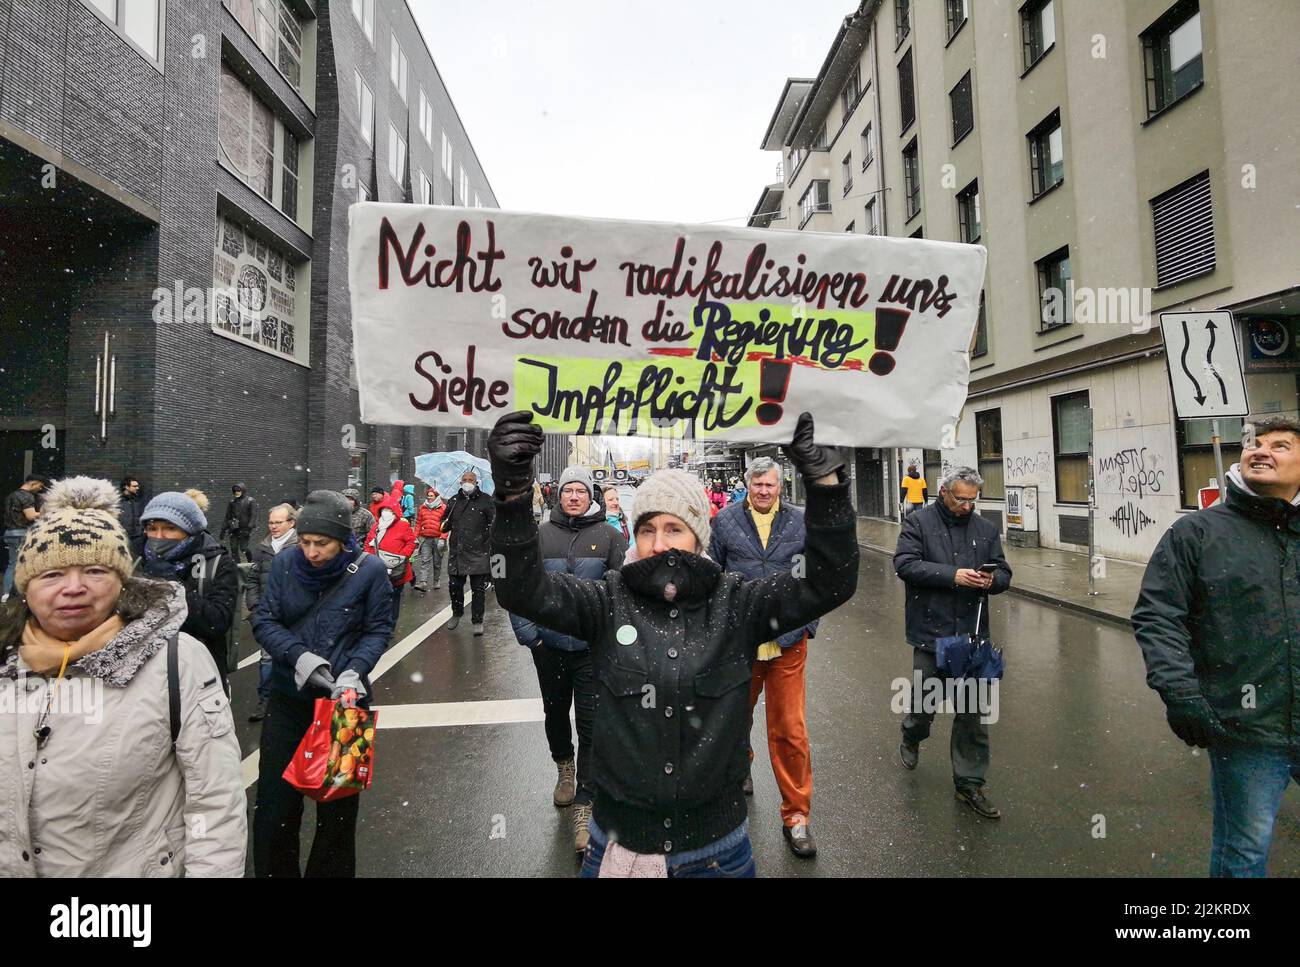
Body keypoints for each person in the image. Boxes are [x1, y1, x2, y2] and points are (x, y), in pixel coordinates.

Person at [488, 410, 857, 878]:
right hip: (617, 847)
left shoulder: (738, 604)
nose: (659, 544)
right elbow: (519, 587)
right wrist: (513, 494)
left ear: (698, 536)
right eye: (647, 530)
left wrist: (827, 485)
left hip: (718, 853)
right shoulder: (606, 602)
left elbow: (831, 582)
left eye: (673, 529)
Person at [0, 476, 245, 876]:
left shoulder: (177, 662)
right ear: (25, 587)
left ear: (121, 582)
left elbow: (214, 801)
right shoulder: (6, 661)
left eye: (95, 570)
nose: (73, 588)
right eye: (51, 575)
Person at [1132, 415, 1300, 877]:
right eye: (1254, 443)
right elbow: (1158, 615)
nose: (1260, 450)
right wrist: (1183, 695)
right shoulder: (1198, 533)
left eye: (1280, 445)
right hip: (1247, 729)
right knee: (1243, 854)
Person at [251, 490, 395, 877]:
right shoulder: (283, 565)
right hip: (288, 699)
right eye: (305, 542)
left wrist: (355, 670)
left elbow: (379, 629)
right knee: (274, 808)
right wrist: (299, 657)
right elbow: (264, 621)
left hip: (347, 704)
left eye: (322, 544)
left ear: (344, 540)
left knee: (338, 814)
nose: (311, 552)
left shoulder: (370, 571)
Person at [506, 467, 628, 853]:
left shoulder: (610, 535)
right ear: (558, 496)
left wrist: (611, 639)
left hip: (592, 650)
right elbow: (519, 587)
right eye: (567, 491)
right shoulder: (540, 535)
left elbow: (623, 592)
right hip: (550, 647)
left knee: (592, 726)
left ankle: (585, 803)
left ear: (590, 494)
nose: (573, 496)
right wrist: (532, 637)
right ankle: (565, 768)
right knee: (556, 715)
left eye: (580, 491)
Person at [710, 456, 821, 857]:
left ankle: (797, 817)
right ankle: (741, 763)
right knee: (734, 718)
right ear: (747, 485)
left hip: (789, 640)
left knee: (790, 730)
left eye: (770, 486)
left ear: (780, 487)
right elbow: (714, 578)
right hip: (742, 641)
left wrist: (808, 624)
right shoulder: (724, 522)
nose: (763, 492)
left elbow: (815, 576)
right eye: (757, 485)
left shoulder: (800, 522)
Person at [893, 467, 1011, 819]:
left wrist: (991, 580)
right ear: (943, 492)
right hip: (932, 634)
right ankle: (912, 733)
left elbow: (1005, 573)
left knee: (973, 715)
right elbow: (905, 564)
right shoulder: (918, 523)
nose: (967, 506)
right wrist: (953, 576)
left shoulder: (986, 529)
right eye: (961, 499)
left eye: (973, 500)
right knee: (924, 703)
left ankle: (969, 784)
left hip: (972, 638)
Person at [140, 490, 239, 691]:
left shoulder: (218, 563)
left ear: (190, 530)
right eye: (152, 528)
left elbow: (216, 622)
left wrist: (171, 583)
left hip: (199, 676)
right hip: (146, 679)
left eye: (170, 528)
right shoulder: (137, 563)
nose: (159, 537)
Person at [245, 503, 299, 722]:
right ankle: (266, 701)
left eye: (278, 522)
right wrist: (255, 607)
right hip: (269, 615)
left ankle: (294, 701)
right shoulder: (262, 547)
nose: (274, 527)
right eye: (271, 522)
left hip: (295, 615)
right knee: (267, 660)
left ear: (291, 523)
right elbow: (252, 579)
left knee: (296, 658)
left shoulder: (302, 546)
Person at [442, 470, 494, 634]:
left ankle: (477, 620)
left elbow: (493, 523)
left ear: (476, 482)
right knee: (454, 586)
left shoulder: (486, 500)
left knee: (478, 589)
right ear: (460, 482)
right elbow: (446, 522)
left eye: (470, 479)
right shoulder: (454, 501)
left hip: (479, 551)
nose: (467, 482)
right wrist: (443, 523)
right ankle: (457, 613)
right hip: (457, 551)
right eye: (464, 479)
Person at [364, 493, 416, 625]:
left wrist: (402, 556)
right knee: (378, 596)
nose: (386, 513)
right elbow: (368, 543)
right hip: (378, 568)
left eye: (389, 510)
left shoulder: (403, 526)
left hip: (396, 568)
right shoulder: (377, 526)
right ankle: (379, 620)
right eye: (384, 510)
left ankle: (391, 622)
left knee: (394, 596)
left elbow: (411, 542)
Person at [3, 474, 49, 598]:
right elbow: (31, 515)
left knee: (12, 564)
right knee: (24, 564)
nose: (40, 489)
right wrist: (47, 511)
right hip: (21, 534)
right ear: (33, 483)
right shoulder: (27, 496)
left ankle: (6, 594)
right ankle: (20, 595)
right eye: (40, 486)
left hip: (9, 533)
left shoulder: (11, 495)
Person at [413, 487, 447, 592]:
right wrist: (415, 536)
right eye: (428, 495)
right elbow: (418, 523)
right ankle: (423, 582)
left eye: (431, 496)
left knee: (437, 562)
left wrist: (443, 538)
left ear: (436, 497)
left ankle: (436, 580)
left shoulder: (443, 508)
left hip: (437, 539)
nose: (429, 497)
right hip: (425, 538)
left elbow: (446, 525)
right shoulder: (422, 507)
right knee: (425, 560)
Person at [220, 482, 257, 564]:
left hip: (244, 529)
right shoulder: (232, 502)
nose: (237, 492)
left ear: (243, 490)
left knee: (244, 548)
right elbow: (227, 516)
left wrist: (249, 528)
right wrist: (223, 529)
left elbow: (253, 515)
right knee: (233, 549)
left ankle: (251, 562)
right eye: (235, 491)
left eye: (238, 490)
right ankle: (237, 565)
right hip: (234, 529)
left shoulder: (250, 501)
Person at [118, 476, 146, 558]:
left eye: (137, 486)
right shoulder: (118, 502)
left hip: (137, 537)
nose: (137, 488)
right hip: (123, 536)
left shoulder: (139, 501)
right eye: (134, 486)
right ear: (126, 487)